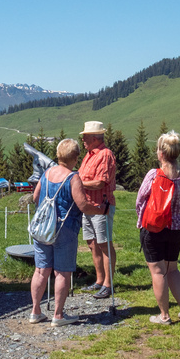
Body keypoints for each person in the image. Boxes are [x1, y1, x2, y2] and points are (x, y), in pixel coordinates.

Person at [27, 138, 84, 325]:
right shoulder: (73, 178)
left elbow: (36, 197)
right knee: (62, 272)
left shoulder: (47, 173)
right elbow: (82, 204)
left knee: (41, 270)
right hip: (64, 230)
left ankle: (36, 311)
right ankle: (58, 315)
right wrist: (101, 208)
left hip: (43, 229)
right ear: (75, 158)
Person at [135, 131, 180, 324]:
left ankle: (164, 315)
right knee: (172, 269)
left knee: (158, 272)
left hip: (154, 228)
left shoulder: (153, 175)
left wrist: (141, 220)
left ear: (161, 154)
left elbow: (140, 200)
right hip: (176, 229)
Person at [75, 120, 119, 297]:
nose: (83, 140)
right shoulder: (89, 155)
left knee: (104, 243)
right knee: (93, 244)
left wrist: (77, 184)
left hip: (101, 206)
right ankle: (99, 280)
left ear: (94, 138)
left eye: (85, 137)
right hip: (88, 207)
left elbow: (100, 182)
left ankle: (108, 284)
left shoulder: (105, 155)